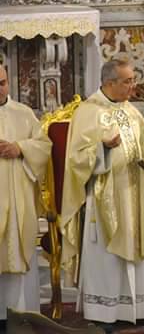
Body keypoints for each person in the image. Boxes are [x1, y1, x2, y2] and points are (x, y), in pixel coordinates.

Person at [61, 60, 144, 325]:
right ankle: (105, 313)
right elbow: (75, 159)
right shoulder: (88, 112)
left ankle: (137, 308)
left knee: (134, 248)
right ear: (109, 83)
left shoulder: (131, 111)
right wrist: (103, 149)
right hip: (104, 198)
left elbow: (139, 146)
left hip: (133, 192)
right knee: (107, 257)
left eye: (133, 79)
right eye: (128, 81)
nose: (133, 86)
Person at [0, 65, 51, 324]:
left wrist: (20, 148)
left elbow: (44, 146)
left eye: (2, 82)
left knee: (16, 254)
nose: (0, 89)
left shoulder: (24, 113)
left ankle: (19, 316)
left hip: (18, 202)